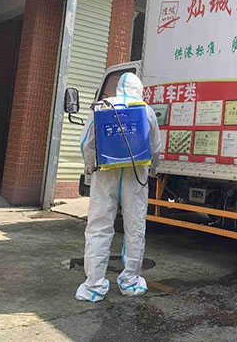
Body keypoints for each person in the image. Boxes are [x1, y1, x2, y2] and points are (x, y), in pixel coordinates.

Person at [75, 72, 162, 302]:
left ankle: (93, 287)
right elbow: (155, 147)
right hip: (136, 174)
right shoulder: (146, 110)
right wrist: (153, 169)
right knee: (135, 228)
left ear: (119, 89)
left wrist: (90, 164)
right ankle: (130, 282)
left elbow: (86, 142)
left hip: (106, 173)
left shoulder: (103, 107)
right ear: (139, 90)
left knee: (99, 227)